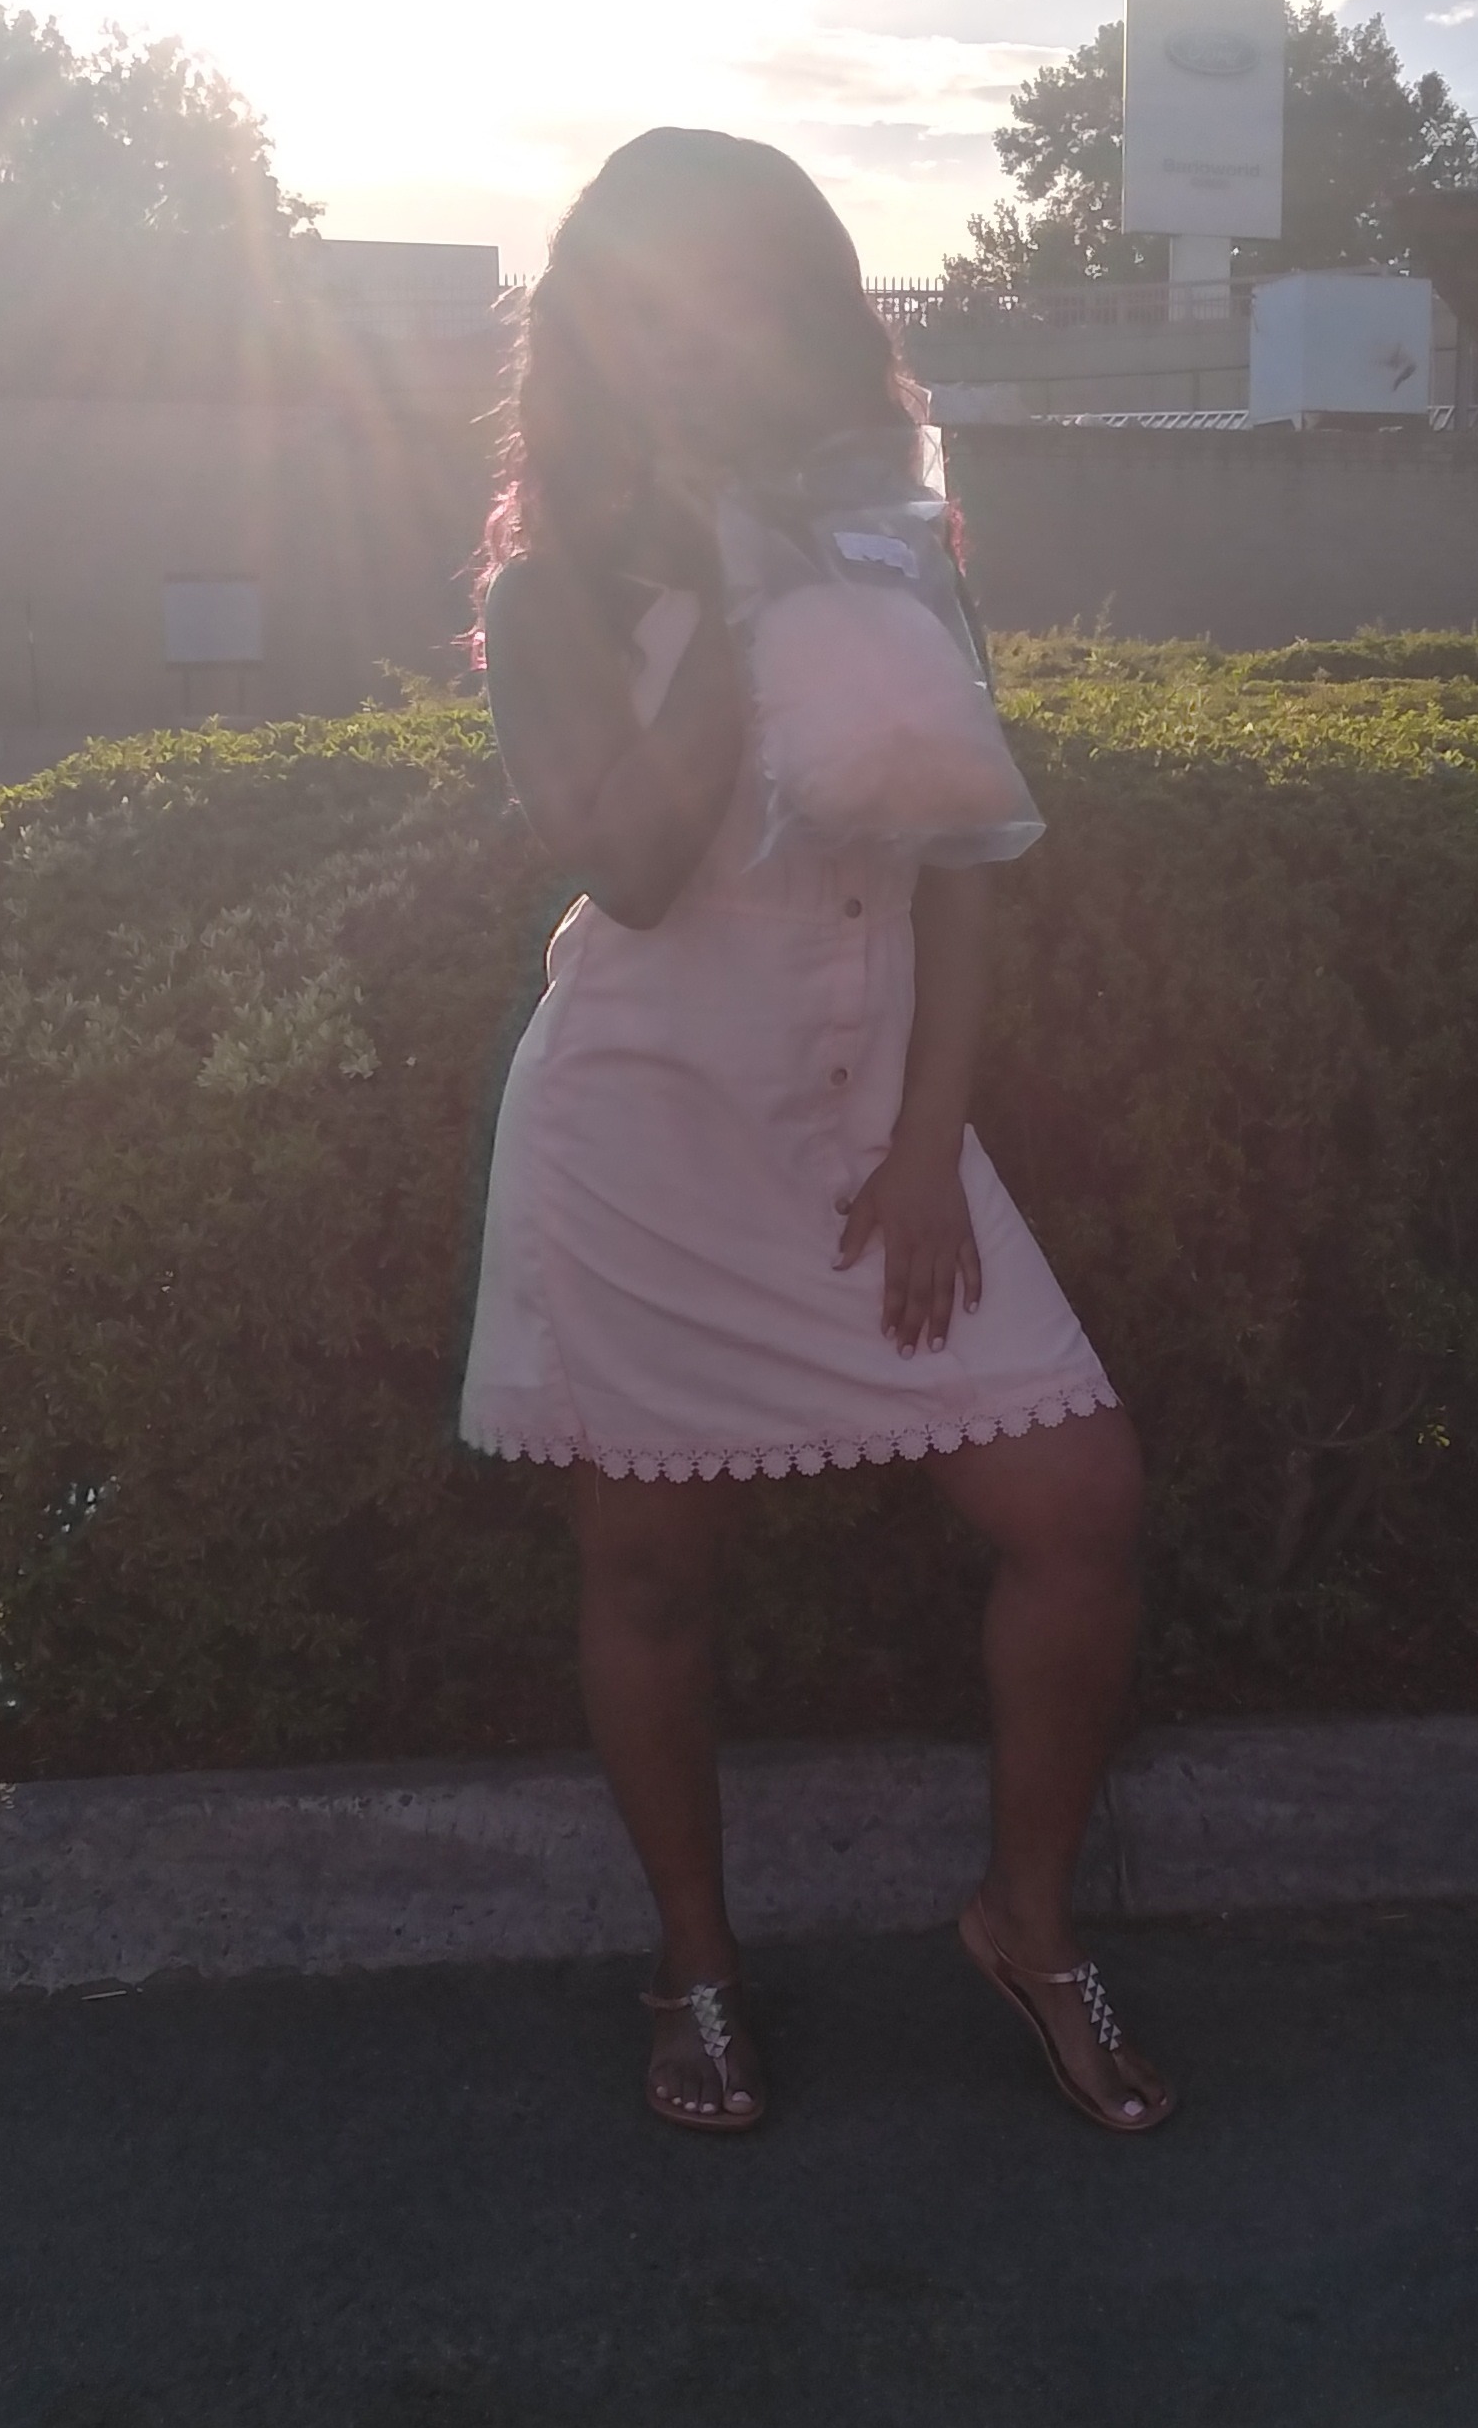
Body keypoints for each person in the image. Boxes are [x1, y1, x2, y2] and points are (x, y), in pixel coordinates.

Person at [462, 127, 1170, 2140]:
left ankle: (1028, 1919)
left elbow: (962, 857)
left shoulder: (896, 549)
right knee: (652, 1571)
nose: (701, 341)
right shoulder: (549, 597)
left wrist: (935, 1141)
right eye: (654, 307)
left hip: (875, 1113)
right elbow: (634, 867)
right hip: (645, 1126)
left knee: (1078, 1502)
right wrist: (733, 579)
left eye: (746, 298)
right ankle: (694, 1961)